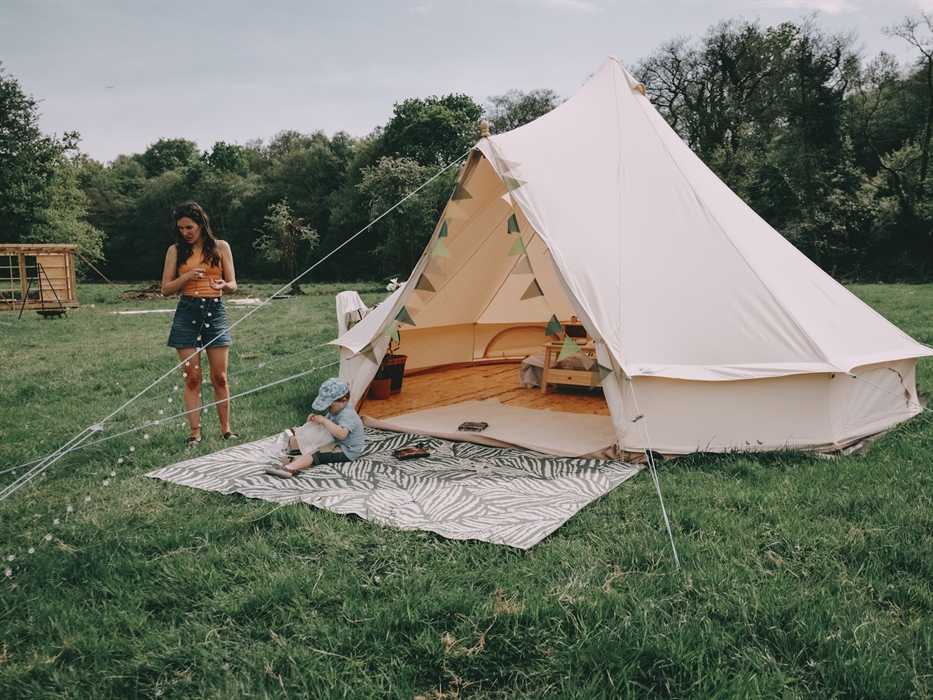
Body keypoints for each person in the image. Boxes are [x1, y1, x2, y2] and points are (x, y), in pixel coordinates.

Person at [161, 201, 238, 446]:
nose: (185, 232)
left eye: (189, 227)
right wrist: (186, 277)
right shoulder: (175, 250)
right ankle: (194, 432)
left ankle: (226, 429)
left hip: (215, 311)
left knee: (220, 377)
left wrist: (224, 285)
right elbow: (165, 289)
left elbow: (233, 284)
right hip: (187, 312)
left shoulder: (221, 247)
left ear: (201, 224)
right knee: (192, 377)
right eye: (181, 228)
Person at [266, 378, 364, 478]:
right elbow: (326, 427)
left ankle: (289, 469)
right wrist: (315, 421)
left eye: (330, 406)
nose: (327, 410)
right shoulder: (335, 410)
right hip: (337, 443)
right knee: (311, 445)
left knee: (316, 453)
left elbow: (342, 434)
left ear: (343, 401)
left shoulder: (347, 414)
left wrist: (325, 421)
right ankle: (299, 461)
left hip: (347, 450)